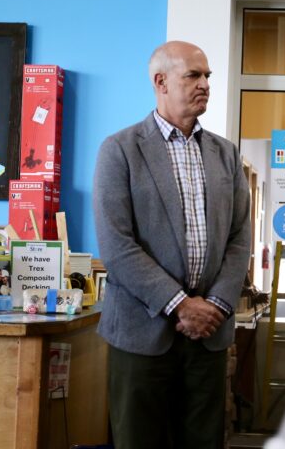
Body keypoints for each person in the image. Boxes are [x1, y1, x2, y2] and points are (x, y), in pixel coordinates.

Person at [93, 40, 251, 448]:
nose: (205, 85)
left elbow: (239, 238)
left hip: (209, 336)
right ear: (161, 82)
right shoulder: (120, 150)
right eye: (193, 75)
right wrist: (181, 304)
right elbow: (117, 246)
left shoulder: (226, 155)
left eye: (207, 76)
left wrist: (214, 307)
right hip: (142, 333)